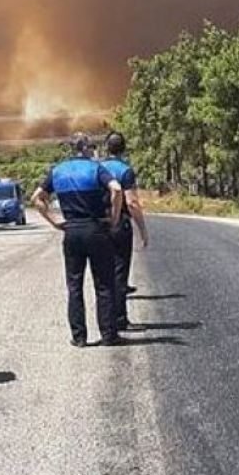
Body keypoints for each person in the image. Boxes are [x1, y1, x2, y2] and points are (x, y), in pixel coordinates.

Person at [31, 132, 123, 347]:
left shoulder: (57, 171)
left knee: (74, 285)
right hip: (96, 228)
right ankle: (109, 335)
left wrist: (54, 221)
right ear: (87, 148)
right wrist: (115, 218)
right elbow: (116, 189)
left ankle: (79, 337)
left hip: (71, 231)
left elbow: (36, 198)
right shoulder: (96, 168)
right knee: (104, 284)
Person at [101, 131, 149, 331]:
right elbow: (132, 203)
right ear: (124, 148)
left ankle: (106, 319)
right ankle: (120, 319)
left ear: (106, 148)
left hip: (101, 224)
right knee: (120, 272)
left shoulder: (99, 168)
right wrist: (143, 230)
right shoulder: (125, 171)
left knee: (104, 273)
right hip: (120, 223)